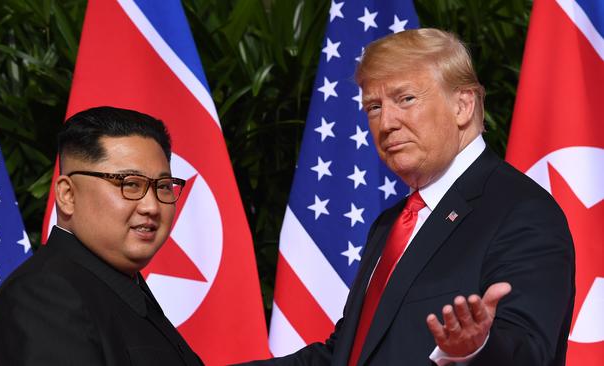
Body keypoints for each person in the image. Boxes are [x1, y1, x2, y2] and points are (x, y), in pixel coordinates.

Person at [246, 29, 575, 365]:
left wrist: (476, 349)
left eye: (405, 99)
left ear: (462, 106)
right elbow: (344, 355)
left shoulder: (521, 211)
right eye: (373, 106)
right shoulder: (390, 224)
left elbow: (530, 352)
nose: (386, 123)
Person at [0, 106, 203, 366]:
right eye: (130, 184)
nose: (152, 206)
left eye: (164, 187)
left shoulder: (121, 286)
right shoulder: (44, 294)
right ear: (68, 195)